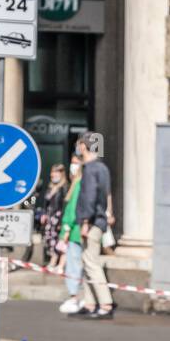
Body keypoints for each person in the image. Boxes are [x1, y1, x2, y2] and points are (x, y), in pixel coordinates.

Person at [73, 133, 115, 319]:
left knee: (91, 262)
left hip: (91, 221)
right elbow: (106, 194)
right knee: (87, 261)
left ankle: (105, 304)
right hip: (99, 219)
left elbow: (89, 196)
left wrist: (84, 221)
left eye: (79, 145)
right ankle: (90, 303)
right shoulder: (103, 168)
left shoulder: (89, 169)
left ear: (84, 147)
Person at [56, 157, 86, 314]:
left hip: (74, 231)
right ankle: (77, 297)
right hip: (75, 231)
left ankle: (75, 297)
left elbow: (73, 210)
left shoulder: (79, 185)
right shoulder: (77, 185)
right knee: (76, 264)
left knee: (73, 266)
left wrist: (66, 229)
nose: (72, 167)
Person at [40, 164, 68, 271]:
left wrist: (61, 221)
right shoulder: (50, 187)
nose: (53, 174)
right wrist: (44, 213)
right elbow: (45, 203)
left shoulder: (64, 187)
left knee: (57, 240)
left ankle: (56, 262)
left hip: (58, 218)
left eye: (56, 172)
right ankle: (52, 260)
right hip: (49, 217)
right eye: (52, 172)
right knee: (49, 239)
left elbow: (64, 204)